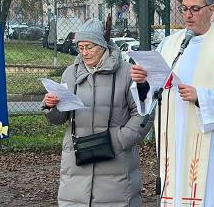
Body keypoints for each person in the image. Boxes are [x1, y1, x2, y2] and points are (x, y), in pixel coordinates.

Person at [130, 0, 214, 206]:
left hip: (213, 144)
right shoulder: (169, 45)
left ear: (211, 9)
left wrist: (202, 97)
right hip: (174, 141)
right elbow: (154, 90)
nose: (188, 15)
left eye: (194, 9)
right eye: (184, 8)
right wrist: (141, 83)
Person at [42, 18, 152, 206]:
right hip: (77, 162)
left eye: (89, 47)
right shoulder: (70, 73)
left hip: (115, 160)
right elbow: (61, 117)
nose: (84, 53)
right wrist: (51, 106)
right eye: (80, 47)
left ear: (102, 46)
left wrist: (119, 139)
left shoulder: (126, 73)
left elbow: (144, 112)